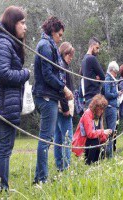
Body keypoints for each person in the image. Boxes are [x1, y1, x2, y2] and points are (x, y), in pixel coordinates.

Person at [0, 6, 30, 193]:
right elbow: (3, 73)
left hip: (7, 103)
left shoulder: (7, 42)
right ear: (13, 24)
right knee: (4, 149)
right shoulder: (3, 43)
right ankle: (1, 190)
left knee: (4, 146)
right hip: (3, 104)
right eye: (22, 22)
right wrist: (24, 74)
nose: (25, 27)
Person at [32, 16, 73, 184]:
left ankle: (40, 177)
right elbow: (48, 74)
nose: (61, 39)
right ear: (52, 31)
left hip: (50, 96)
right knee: (46, 139)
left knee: (48, 138)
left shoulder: (48, 45)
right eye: (60, 35)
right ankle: (41, 179)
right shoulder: (45, 46)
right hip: (46, 97)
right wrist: (63, 88)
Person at [71, 94, 112, 165]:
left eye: (103, 109)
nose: (102, 111)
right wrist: (103, 132)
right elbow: (90, 134)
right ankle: (89, 163)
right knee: (95, 140)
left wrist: (106, 135)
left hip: (89, 142)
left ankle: (97, 163)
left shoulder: (97, 116)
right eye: (101, 109)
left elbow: (100, 133)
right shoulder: (87, 114)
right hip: (82, 143)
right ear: (96, 107)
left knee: (101, 142)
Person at [54, 42, 75, 172]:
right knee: (67, 137)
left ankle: (59, 165)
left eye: (71, 54)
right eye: (68, 54)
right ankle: (65, 167)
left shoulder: (62, 65)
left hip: (59, 107)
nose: (70, 57)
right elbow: (61, 89)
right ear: (63, 53)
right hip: (63, 107)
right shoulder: (62, 66)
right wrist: (66, 109)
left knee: (58, 135)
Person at [103, 61, 121, 158]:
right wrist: (117, 94)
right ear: (111, 70)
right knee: (111, 131)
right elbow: (107, 94)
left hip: (114, 107)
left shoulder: (112, 79)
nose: (116, 74)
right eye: (115, 72)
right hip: (110, 107)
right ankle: (109, 154)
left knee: (113, 131)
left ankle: (110, 153)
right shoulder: (108, 78)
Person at [81, 37, 105, 108]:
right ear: (91, 46)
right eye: (97, 48)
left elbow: (82, 74)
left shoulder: (83, 60)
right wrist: (97, 79)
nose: (98, 50)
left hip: (87, 97)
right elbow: (103, 77)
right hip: (94, 97)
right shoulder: (92, 58)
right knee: (96, 119)